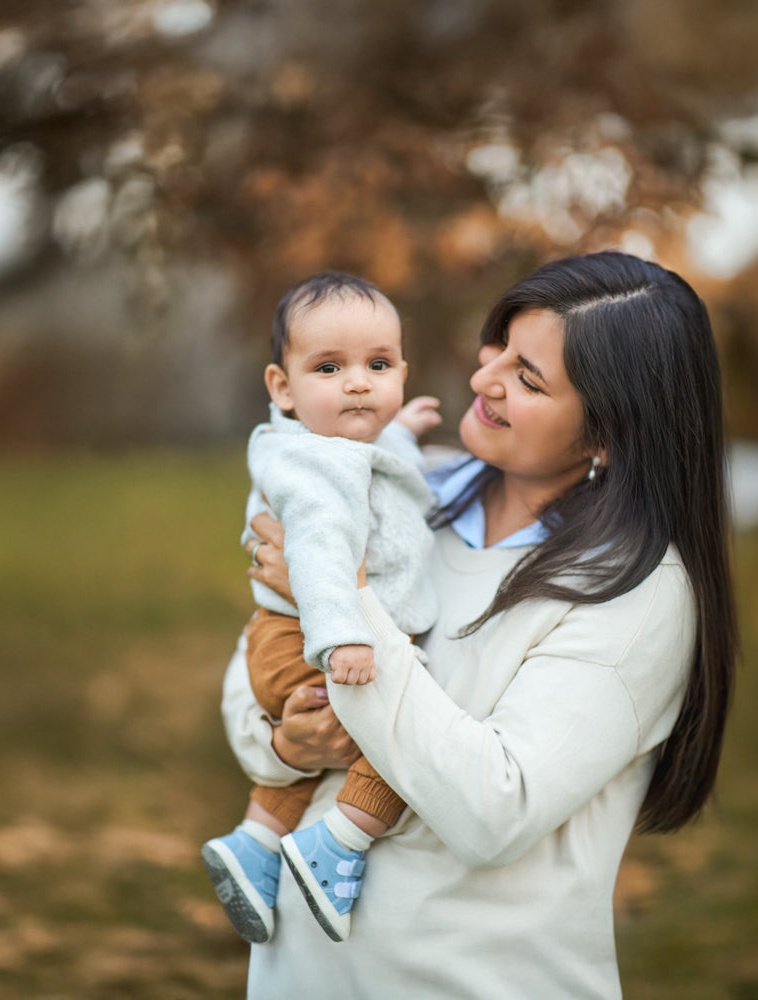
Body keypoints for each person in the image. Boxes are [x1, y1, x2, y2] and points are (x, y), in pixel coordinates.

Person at [220, 251, 739, 998]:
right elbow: (252, 665)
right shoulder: (406, 488)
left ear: (608, 434)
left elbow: (494, 810)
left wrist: (348, 602)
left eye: (527, 378)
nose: (483, 379)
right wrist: (282, 747)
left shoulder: (635, 594)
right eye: (498, 348)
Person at [202, 271, 444, 946]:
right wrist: (346, 637)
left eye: (378, 365)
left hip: (290, 637)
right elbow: (317, 549)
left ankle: (256, 845)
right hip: (311, 636)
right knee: (402, 739)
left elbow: (371, 450)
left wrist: (407, 429)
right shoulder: (313, 469)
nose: (359, 383)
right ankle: (338, 842)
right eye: (330, 367)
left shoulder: (345, 438)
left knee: (322, 744)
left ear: (401, 370)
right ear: (282, 388)